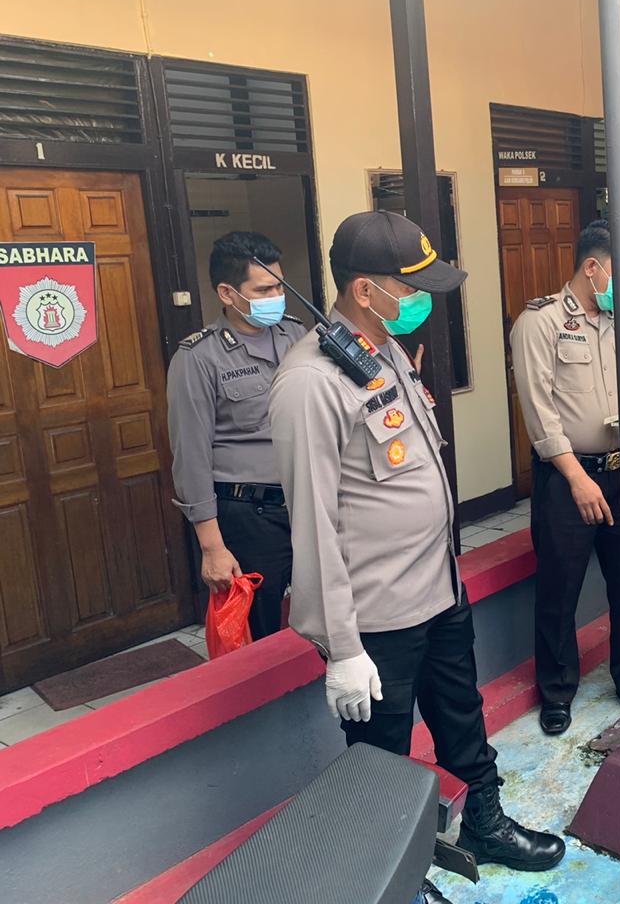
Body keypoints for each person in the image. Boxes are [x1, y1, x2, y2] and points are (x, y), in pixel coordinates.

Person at [269, 211, 563, 903]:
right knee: (380, 761)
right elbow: (313, 524)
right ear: (365, 290)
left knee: (463, 718)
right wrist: (342, 647)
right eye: (413, 288)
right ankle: (396, 881)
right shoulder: (311, 382)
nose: (425, 300)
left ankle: (484, 823)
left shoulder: (382, 350)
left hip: (437, 590)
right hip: (376, 620)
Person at [509, 219, 620, 736]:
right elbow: (539, 413)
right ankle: (556, 693)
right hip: (567, 480)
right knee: (559, 590)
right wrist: (577, 478)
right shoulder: (540, 323)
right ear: (593, 268)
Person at [167, 231, 307, 639]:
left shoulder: (297, 335)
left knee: (322, 612)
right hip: (250, 514)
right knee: (260, 633)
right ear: (227, 293)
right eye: (263, 290)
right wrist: (212, 547)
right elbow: (191, 457)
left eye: (279, 287)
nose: (276, 297)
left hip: (306, 503)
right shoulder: (198, 358)